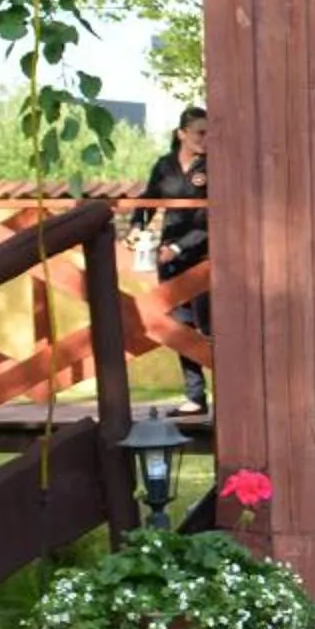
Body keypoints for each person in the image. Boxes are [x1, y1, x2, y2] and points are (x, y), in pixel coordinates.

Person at [137, 105, 213, 414]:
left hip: (203, 256)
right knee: (180, 327)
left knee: (210, 328)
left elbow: (212, 217)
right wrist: (137, 228)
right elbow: (148, 200)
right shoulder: (165, 165)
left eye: (210, 133)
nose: (206, 139)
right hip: (170, 257)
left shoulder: (213, 166)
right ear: (182, 133)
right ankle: (195, 397)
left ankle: (233, 396)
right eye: (200, 132)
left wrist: (180, 248)